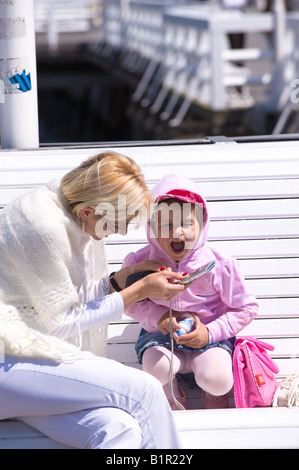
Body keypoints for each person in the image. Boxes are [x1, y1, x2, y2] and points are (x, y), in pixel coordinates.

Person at [0, 152, 187, 449]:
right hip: (9, 359)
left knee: (117, 429)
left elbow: (63, 301)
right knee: (145, 390)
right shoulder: (43, 225)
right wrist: (138, 292)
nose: (123, 231)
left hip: (23, 366)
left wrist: (119, 281)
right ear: (89, 212)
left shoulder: (71, 211)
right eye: (118, 223)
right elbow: (60, 323)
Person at [122, 174, 259, 409]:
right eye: (166, 225)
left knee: (218, 380)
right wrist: (159, 318)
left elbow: (246, 307)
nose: (178, 232)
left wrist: (210, 332)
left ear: (202, 223)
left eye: (187, 223)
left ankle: (212, 394)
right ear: (152, 226)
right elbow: (127, 301)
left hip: (209, 338)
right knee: (157, 371)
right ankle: (167, 390)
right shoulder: (141, 262)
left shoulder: (219, 265)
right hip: (160, 337)